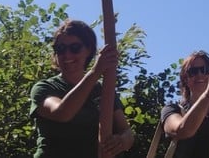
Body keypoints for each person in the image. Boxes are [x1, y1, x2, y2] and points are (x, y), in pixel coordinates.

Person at [30, 19, 134, 158]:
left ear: (88, 50)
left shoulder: (102, 90)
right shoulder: (44, 88)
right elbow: (62, 113)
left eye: (75, 48)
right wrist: (95, 72)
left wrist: (121, 141)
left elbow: (127, 132)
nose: (67, 55)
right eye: (60, 49)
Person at [160, 50, 209, 158]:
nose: (199, 75)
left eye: (205, 70)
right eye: (193, 71)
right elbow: (182, 130)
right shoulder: (172, 110)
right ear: (185, 79)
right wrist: (208, 94)